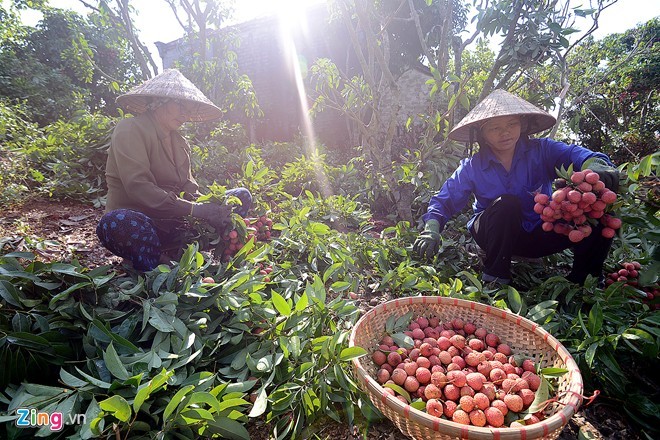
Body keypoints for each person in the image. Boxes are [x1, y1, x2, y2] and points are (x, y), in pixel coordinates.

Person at [413, 89, 619, 286]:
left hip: (542, 231)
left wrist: (597, 167)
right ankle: (495, 277)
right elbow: (444, 200)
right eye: (495, 128)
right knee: (506, 204)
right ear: (482, 134)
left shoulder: (543, 150)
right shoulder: (472, 167)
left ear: (522, 124)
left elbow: (579, 155)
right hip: (495, 236)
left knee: (596, 212)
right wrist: (431, 230)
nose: (505, 132)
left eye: (512, 124)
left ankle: (585, 281)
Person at [96, 69, 252, 271]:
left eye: (189, 108)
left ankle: (208, 257)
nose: (185, 114)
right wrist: (196, 210)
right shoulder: (130, 129)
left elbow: (189, 187)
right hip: (140, 225)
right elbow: (138, 187)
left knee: (240, 197)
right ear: (158, 101)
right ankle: (153, 262)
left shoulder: (180, 142)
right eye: (180, 105)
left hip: (175, 226)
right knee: (116, 222)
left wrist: (210, 205)